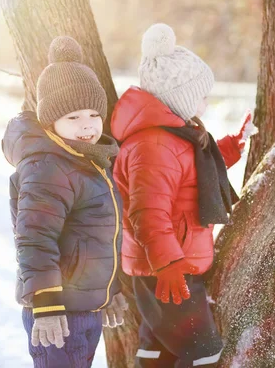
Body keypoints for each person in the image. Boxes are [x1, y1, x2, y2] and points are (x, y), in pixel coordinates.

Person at [110, 23, 256, 368]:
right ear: (179, 96)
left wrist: (232, 145)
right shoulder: (153, 145)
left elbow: (192, 171)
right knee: (204, 351)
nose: (205, 102)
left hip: (169, 262)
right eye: (201, 95)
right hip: (167, 267)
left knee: (162, 348)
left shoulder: (170, 136)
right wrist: (169, 263)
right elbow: (147, 211)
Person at [2, 36, 128, 368]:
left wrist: (107, 292)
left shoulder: (90, 161)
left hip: (83, 309)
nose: (87, 124)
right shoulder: (48, 167)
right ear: (50, 121)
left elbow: (98, 237)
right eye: (72, 117)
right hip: (56, 313)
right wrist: (45, 305)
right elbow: (34, 239)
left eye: (92, 114)